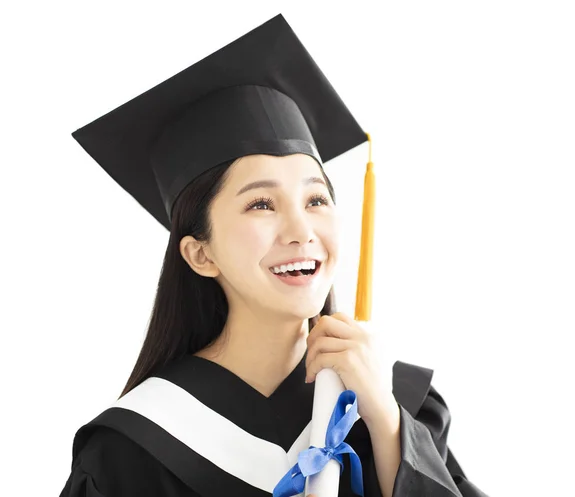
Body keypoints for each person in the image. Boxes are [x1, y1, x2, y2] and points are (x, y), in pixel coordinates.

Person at [59, 13, 489, 497]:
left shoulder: (396, 405)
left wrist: (388, 426)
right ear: (200, 254)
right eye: (261, 204)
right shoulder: (132, 452)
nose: (301, 230)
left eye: (316, 200)